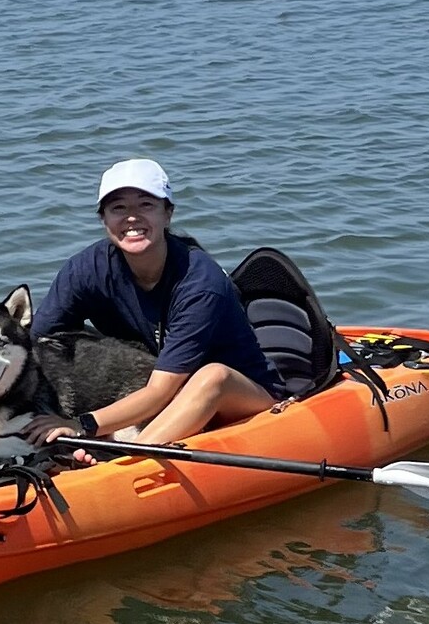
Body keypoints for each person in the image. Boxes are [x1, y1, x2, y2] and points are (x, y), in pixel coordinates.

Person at [23, 158, 287, 459]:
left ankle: (125, 461)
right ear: (104, 219)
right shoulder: (86, 269)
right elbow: (35, 342)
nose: (132, 218)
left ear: (168, 214)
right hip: (160, 386)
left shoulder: (200, 282)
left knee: (212, 377)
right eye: (118, 208)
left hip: (243, 394)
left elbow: (160, 390)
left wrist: (81, 425)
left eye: (146, 205)